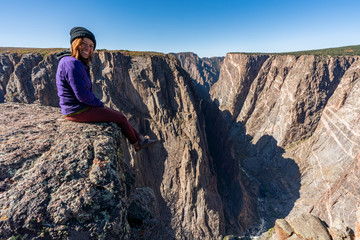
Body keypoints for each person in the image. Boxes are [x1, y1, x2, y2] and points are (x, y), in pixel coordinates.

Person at [56, 26, 157, 152]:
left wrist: (100, 106)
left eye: (91, 46)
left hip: (76, 108)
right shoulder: (72, 64)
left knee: (117, 114)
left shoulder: (69, 61)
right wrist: (99, 105)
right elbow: (83, 96)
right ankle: (137, 144)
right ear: (75, 43)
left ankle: (140, 138)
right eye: (84, 44)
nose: (88, 48)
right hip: (77, 110)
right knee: (120, 118)